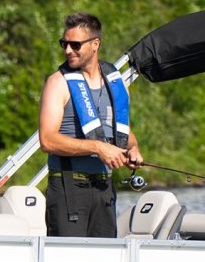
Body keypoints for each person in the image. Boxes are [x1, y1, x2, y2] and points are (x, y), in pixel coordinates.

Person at [37, 12, 144, 237]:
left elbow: (123, 133)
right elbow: (47, 140)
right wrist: (98, 147)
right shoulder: (57, 83)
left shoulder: (116, 84)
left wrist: (133, 149)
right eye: (64, 44)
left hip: (104, 189)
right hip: (69, 187)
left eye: (75, 45)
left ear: (95, 44)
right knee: (68, 258)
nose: (68, 50)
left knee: (105, 257)